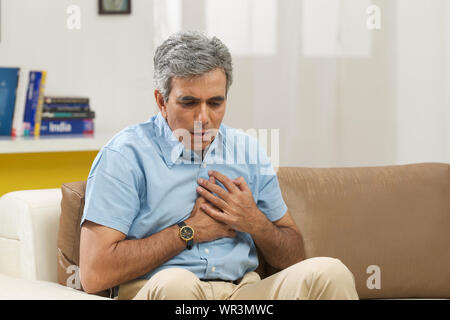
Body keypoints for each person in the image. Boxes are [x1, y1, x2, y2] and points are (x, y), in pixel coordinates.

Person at [79, 31, 359, 300]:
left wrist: (256, 223)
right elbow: (94, 274)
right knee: (176, 285)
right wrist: (188, 231)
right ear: (161, 102)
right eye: (189, 102)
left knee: (330, 273)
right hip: (161, 288)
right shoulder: (125, 155)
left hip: (242, 292)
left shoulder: (247, 150)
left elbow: (294, 256)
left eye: (215, 102)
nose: (204, 117)